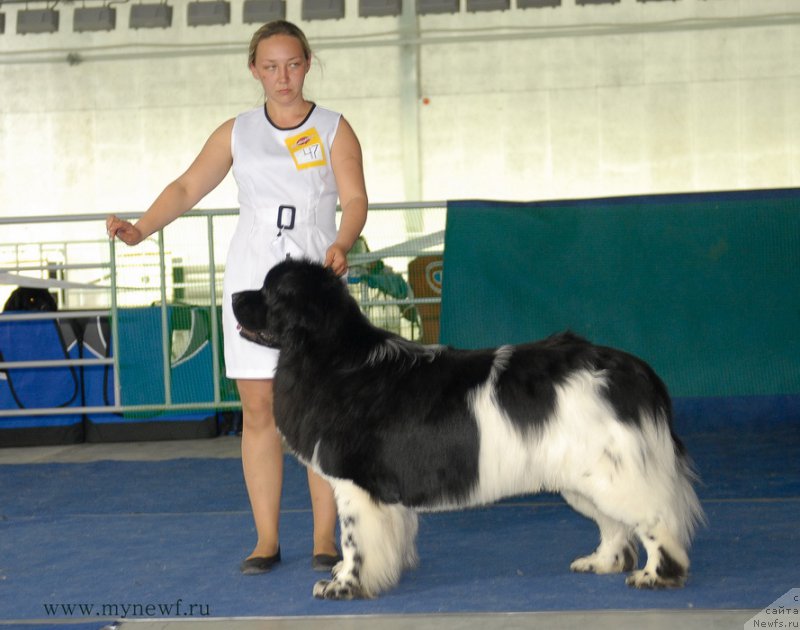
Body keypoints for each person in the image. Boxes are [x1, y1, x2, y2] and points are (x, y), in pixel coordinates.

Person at [106, 20, 368, 575]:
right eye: (270, 66)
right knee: (258, 412)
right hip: (253, 282)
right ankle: (266, 540)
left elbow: (355, 197)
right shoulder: (236, 132)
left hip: (313, 284)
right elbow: (185, 188)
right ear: (254, 70)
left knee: (320, 411)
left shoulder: (335, 128)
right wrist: (142, 228)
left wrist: (344, 241)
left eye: (293, 64)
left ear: (307, 63)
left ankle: (326, 537)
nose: (283, 77)